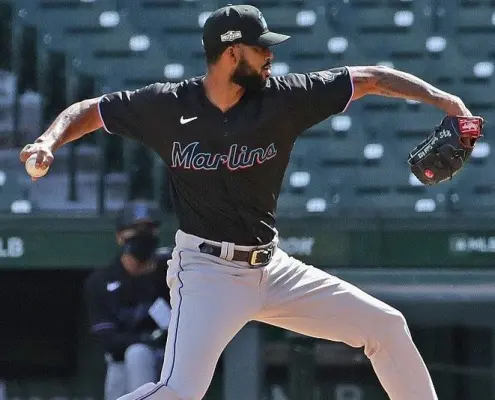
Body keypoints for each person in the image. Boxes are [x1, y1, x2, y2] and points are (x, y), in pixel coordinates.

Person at [20, 4, 475, 400]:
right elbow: (91, 110)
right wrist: (47, 141)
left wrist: (445, 101)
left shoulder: (285, 98)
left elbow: (370, 78)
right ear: (232, 52)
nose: (270, 56)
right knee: (179, 390)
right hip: (208, 272)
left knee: (386, 326)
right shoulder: (167, 106)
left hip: (273, 268)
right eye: (261, 48)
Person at [84, 200, 172, 400]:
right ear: (120, 236)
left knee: (139, 354)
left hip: (169, 361)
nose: (143, 236)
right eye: (136, 230)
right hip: (123, 363)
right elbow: (108, 340)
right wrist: (146, 339)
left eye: (149, 229)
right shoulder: (102, 281)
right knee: (135, 355)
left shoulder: (169, 274)